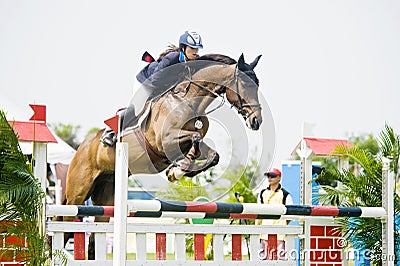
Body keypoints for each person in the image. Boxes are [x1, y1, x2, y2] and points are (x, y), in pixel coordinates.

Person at [100, 31, 203, 146]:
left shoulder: (192, 61)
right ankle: (109, 131)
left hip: (161, 88)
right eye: (192, 48)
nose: (195, 52)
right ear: (183, 47)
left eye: (197, 49)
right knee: (136, 109)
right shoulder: (172, 58)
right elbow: (155, 80)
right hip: (146, 83)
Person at [256, 168, 293, 260]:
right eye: (268, 176)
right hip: (264, 231)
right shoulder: (262, 193)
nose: (270, 178)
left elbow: (290, 213)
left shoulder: (285, 195)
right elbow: (258, 212)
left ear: (279, 178)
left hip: (280, 233)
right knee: (264, 258)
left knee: (280, 257)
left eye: (273, 176)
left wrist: (282, 224)